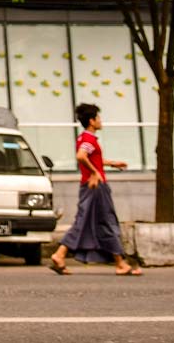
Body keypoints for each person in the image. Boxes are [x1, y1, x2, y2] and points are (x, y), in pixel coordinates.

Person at [50, 102, 141, 276]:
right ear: (92, 121)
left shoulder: (83, 138)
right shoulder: (89, 139)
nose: (100, 121)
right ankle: (120, 263)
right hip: (95, 187)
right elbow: (81, 157)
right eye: (98, 117)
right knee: (106, 221)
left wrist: (112, 163)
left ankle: (61, 255)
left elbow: (90, 157)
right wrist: (95, 172)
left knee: (89, 222)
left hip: (90, 185)